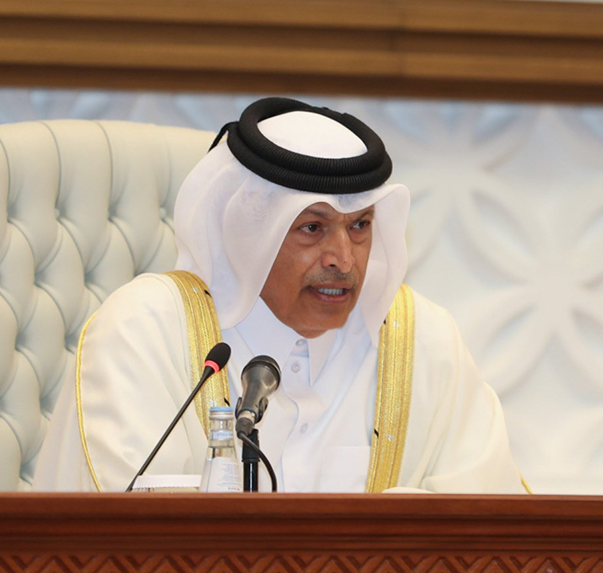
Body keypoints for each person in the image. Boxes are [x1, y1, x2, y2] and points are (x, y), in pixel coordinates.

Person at [34, 97, 526, 493]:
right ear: (251, 232)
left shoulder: (422, 340)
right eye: (312, 228)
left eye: (360, 226)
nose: (344, 259)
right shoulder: (144, 332)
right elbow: (127, 538)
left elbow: (491, 526)